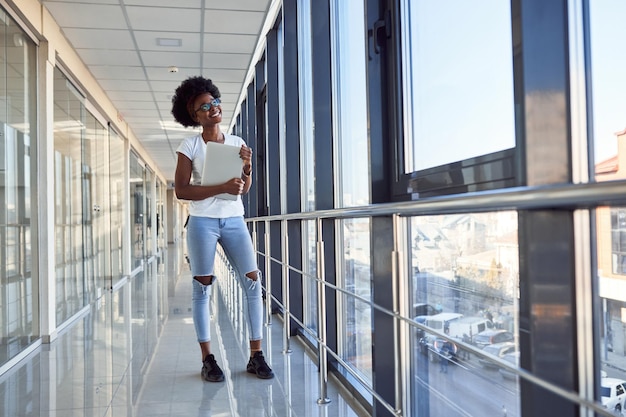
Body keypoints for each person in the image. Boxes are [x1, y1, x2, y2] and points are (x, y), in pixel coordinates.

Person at [171, 76, 274, 382]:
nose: (213, 108)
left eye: (214, 102)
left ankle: (256, 355)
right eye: (204, 106)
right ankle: (207, 359)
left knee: (253, 282)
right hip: (203, 221)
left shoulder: (237, 143)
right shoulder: (189, 145)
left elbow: (242, 189)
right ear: (195, 116)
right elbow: (181, 190)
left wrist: (248, 169)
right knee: (203, 288)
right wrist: (221, 186)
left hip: (234, 219)